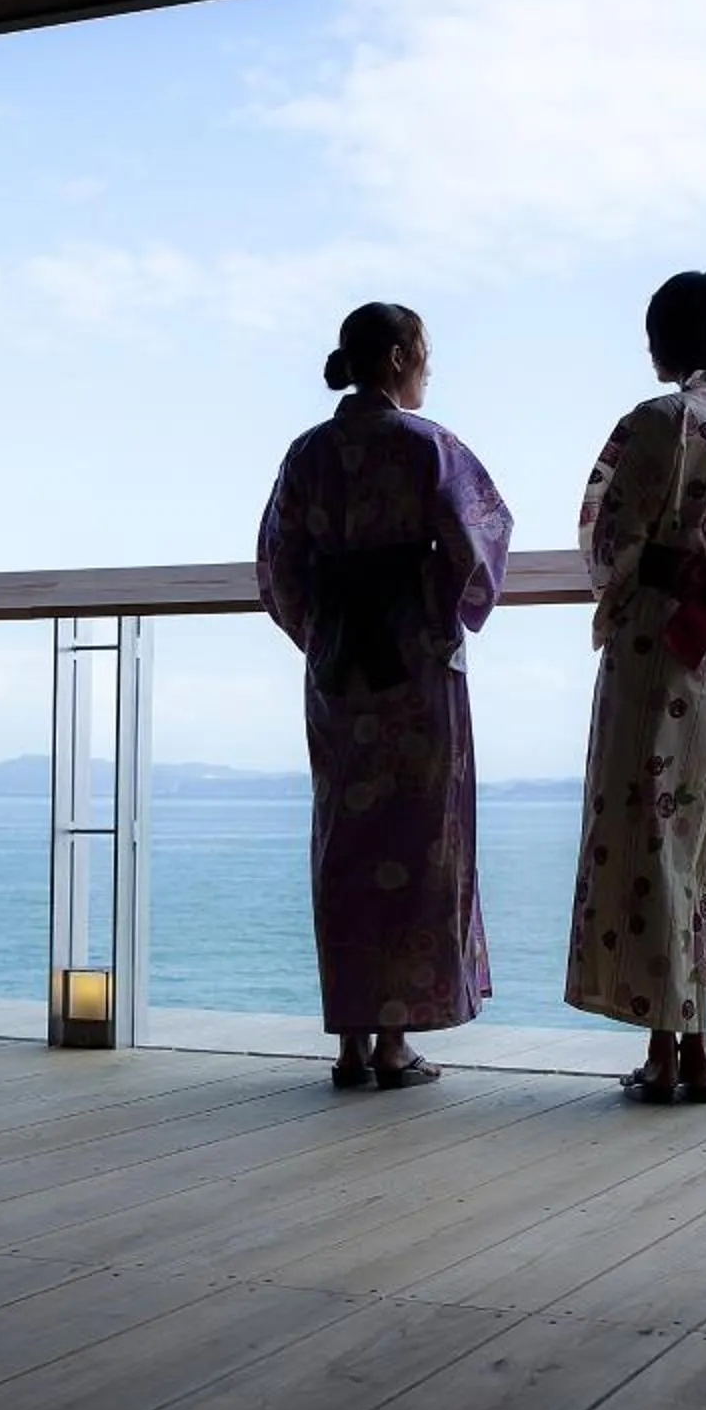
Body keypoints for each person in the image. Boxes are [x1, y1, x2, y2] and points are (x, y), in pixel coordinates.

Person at [258, 303, 513, 1089]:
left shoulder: (308, 453)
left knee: (345, 843)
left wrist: (322, 629)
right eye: (425, 354)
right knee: (415, 841)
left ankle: (349, 1041)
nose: (429, 369)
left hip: (339, 666)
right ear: (400, 357)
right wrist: (438, 610)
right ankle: (396, 1042)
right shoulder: (427, 445)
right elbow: (480, 544)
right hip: (413, 662)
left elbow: (277, 565)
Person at [564, 271, 706, 1102]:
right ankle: (697, 1046)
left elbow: (607, 537)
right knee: (703, 849)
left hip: (658, 645)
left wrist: (644, 577)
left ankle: (664, 1054)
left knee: (649, 841)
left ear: (667, 338)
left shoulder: (656, 423)